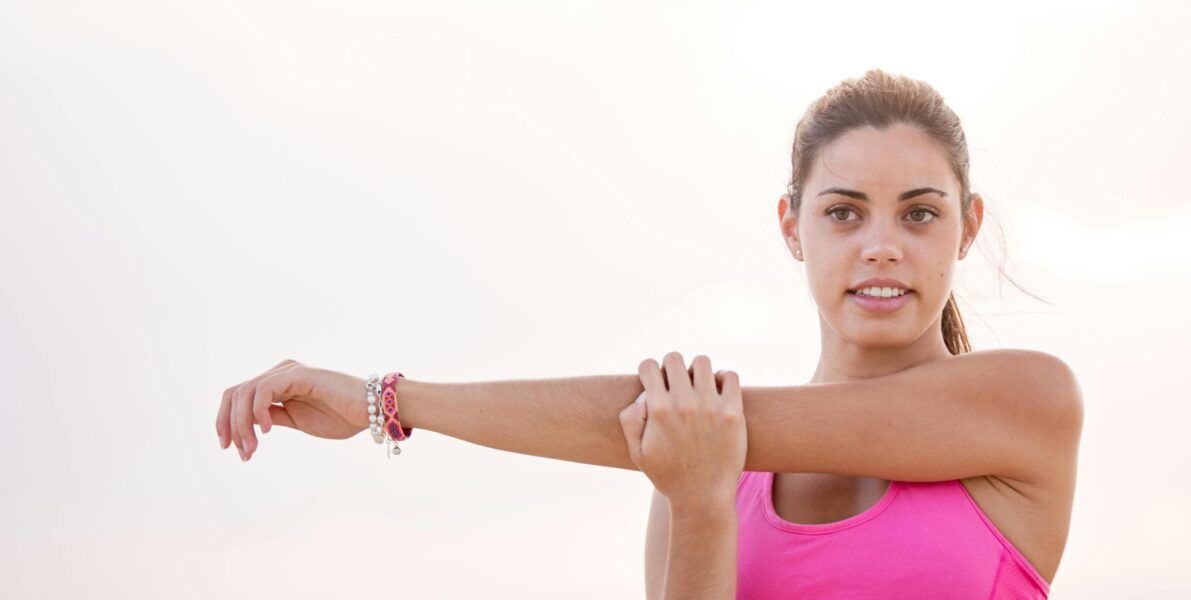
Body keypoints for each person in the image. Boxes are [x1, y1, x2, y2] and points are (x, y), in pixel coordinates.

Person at [215, 68, 1083, 599]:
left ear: (967, 226)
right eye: (844, 212)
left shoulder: (1025, 405)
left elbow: (674, 420)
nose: (881, 245)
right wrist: (701, 504)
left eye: (920, 214)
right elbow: (685, 433)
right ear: (791, 226)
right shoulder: (695, 456)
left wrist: (385, 401)